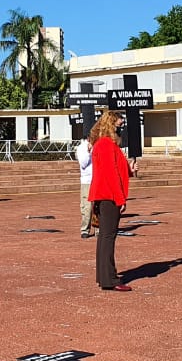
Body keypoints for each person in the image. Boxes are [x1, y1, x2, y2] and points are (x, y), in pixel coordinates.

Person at [88, 110, 133, 292]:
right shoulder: (106, 144)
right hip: (109, 195)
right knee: (108, 237)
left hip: (104, 194)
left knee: (105, 237)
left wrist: (129, 170)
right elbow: (111, 174)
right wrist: (120, 199)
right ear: (111, 124)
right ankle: (110, 278)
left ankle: (105, 276)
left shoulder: (103, 144)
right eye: (118, 124)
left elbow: (116, 169)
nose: (120, 127)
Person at [76, 132, 95, 238]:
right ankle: (85, 229)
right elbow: (83, 164)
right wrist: (88, 151)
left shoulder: (98, 146)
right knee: (87, 207)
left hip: (97, 180)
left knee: (98, 206)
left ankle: (98, 228)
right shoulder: (81, 148)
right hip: (87, 181)